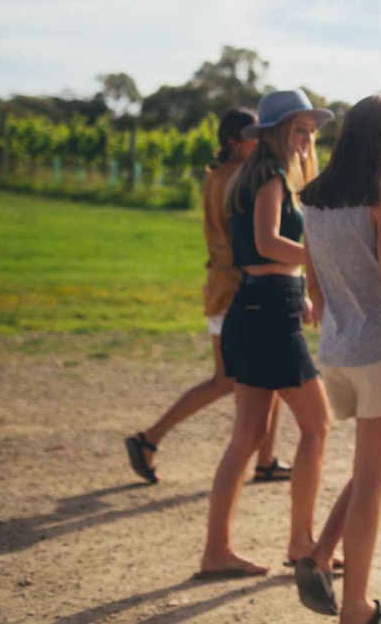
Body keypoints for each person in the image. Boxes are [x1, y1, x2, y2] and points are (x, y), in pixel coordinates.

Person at [292, 95, 381, 624]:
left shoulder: (316, 197)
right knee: (373, 477)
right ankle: (357, 607)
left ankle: (321, 552)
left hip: (337, 350)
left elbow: (316, 278)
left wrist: (330, 322)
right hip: (378, 352)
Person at [197, 89, 334, 579]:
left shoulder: (249, 175)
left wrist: (303, 290)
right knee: (318, 426)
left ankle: (218, 551)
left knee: (247, 437)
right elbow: (265, 242)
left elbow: (262, 256)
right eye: (299, 129)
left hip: (255, 306)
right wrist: (318, 258)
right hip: (268, 315)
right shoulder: (271, 176)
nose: (307, 139)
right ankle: (301, 543)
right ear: (277, 131)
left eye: (311, 131)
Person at [124, 108, 292, 486]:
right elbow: (256, 240)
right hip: (239, 287)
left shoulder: (216, 176)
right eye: (253, 134)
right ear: (234, 141)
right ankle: (149, 438)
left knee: (260, 376)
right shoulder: (245, 178)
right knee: (231, 380)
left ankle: (266, 460)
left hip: (220, 284)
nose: (260, 140)